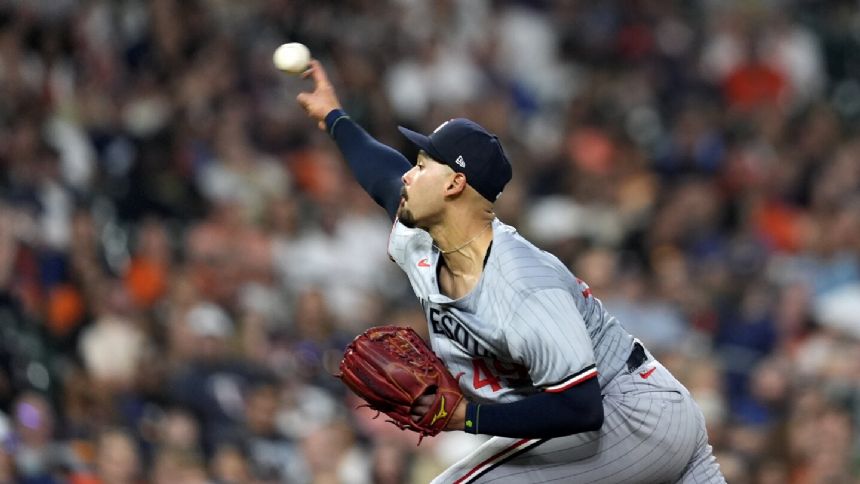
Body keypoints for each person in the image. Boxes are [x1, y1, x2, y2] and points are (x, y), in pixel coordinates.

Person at [296, 59, 725, 483]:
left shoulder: (521, 282)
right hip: (639, 420)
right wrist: (335, 117)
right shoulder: (423, 238)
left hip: (628, 414)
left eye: (423, 165)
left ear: (454, 185)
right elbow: (382, 175)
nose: (410, 175)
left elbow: (581, 409)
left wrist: (467, 416)